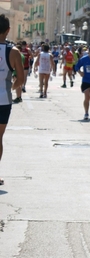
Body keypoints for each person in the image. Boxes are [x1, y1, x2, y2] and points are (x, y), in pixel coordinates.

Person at [0, 14, 25, 185]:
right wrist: (10, 88)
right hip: (3, 100)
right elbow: (21, 80)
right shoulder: (14, 52)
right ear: (8, 30)